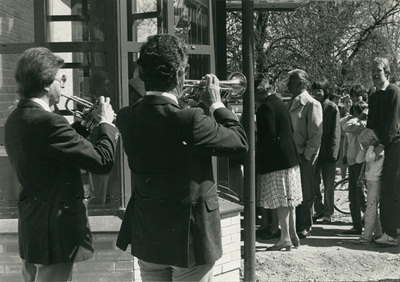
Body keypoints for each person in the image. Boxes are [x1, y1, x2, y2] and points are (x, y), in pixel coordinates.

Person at [115, 34, 248, 281]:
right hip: (191, 240)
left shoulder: (126, 117)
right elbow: (240, 142)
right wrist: (216, 105)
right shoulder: (192, 119)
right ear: (179, 75)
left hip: (149, 235)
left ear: (143, 75)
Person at [4, 47, 119, 281]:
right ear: (46, 83)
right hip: (55, 226)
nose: (64, 85)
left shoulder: (17, 117)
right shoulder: (50, 122)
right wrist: (107, 124)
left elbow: (51, 150)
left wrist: (85, 126)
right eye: (61, 79)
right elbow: (102, 162)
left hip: (33, 222)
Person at [255, 78, 302, 251]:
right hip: (290, 159)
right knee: (290, 200)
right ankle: (293, 234)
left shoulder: (265, 108)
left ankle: (285, 238)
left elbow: (267, 138)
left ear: (261, 91)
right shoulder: (282, 104)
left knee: (281, 201)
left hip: (276, 161)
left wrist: (259, 160)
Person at [367, 57, 400, 246]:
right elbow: (372, 124)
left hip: (393, 145)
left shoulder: (394, 92)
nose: (374, 74)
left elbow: (392, 125)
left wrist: (381, 145)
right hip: (378, 145)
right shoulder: (374, 96)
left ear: (386, 72)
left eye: (378, 71)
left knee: (390, 188)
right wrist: (370, 142)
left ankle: (391, 234)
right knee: (377, 188)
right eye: (372, 71)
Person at [287, 69, 323, 238]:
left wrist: (307, 156)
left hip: (305, 156)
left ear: (300, 83)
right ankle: (295, 225)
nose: (288, 86)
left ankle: (305, 225)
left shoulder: (312, 104)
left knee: (306, 191)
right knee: (294, 191)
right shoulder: (291, 102)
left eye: (291, 82)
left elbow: (316, 135)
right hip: (293, 155)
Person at [311, 78, 341, 224]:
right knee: (314, 183)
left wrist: (333, 153)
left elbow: (336, 132)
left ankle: (328, 212)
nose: (317, 93)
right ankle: (319, 209)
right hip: (315, 151)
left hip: (328, 152)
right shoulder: (312, 106)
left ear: (325, 91)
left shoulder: (332, 108)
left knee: (329, 185)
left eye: (320, 90)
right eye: (315, 90)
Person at [340, 101, 368, 235]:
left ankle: (368, 224)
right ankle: (356, 225)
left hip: (360, 162)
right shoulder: (354, 122)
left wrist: (360, 117)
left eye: (355, 112)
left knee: (360, 195)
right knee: (353, 195)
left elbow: (345, 126)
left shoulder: (362, 125)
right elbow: (342, 123)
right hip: (352, 161)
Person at [353, 128, 383, 244]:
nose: (363, 146)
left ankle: (367, 236)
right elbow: (358, 160)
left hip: (375, 181)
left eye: (364, 143)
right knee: (372, 208)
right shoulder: (369, 151)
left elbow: (368, 158)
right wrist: (364, 149)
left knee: (370, 209)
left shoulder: (379, 150)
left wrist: (370, 147)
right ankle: (378, 233)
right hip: (370, 181)